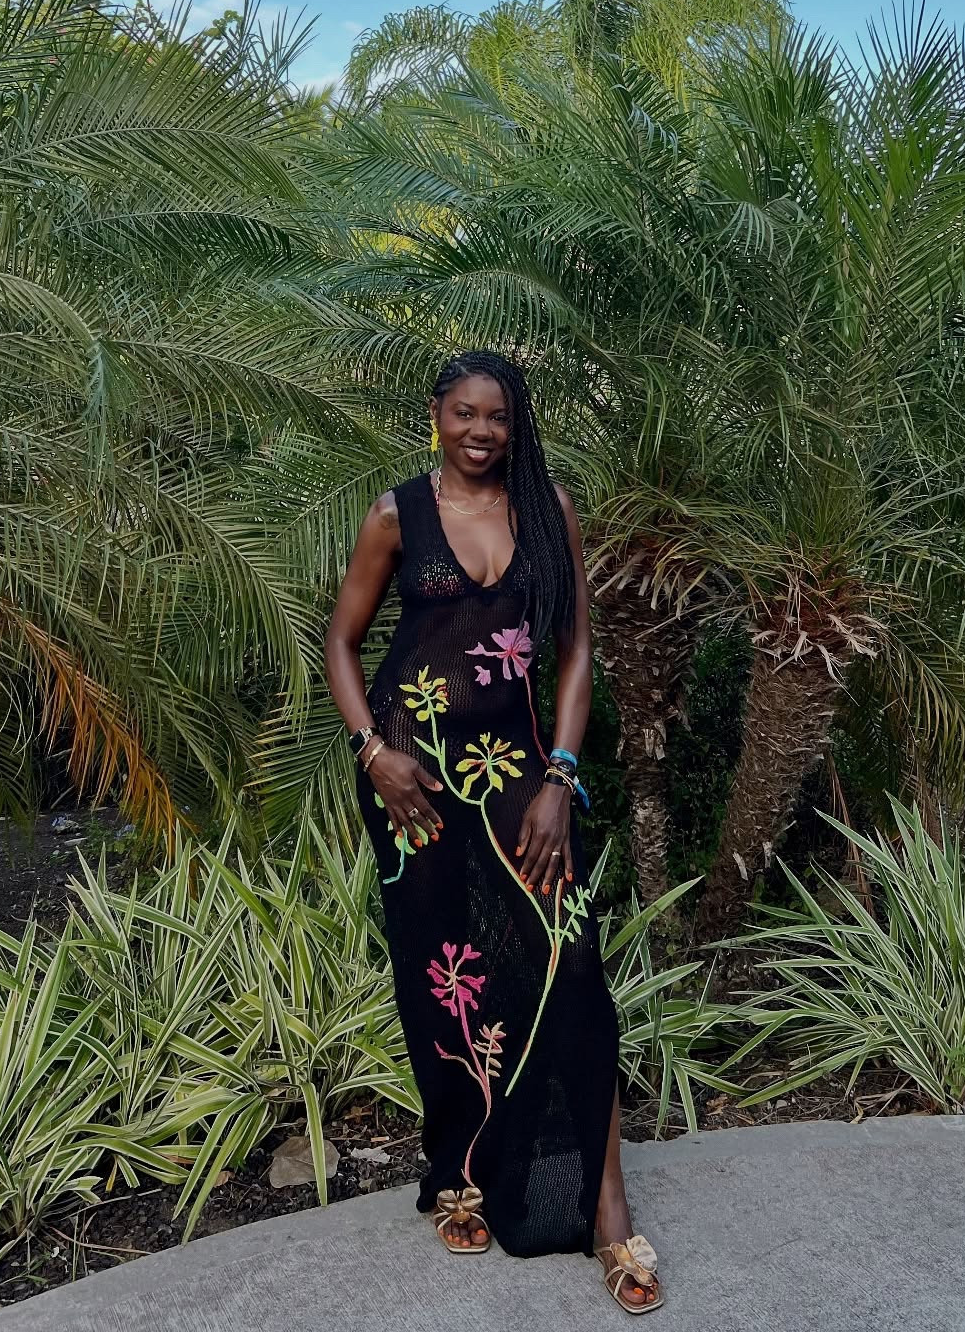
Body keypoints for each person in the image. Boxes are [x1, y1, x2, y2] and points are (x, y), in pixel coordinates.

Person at [324, 350, 663, 1314]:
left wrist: (561, 775)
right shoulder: (397, 515)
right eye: (464, 413)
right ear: (436, 415)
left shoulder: (548, 507)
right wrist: (369, 754)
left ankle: (607, 1217)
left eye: (498, 416)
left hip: (520, 773)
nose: (481, 431)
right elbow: (342, 641)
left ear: (515, 424)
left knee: (572, 969)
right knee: (444, 972)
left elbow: (577, 649)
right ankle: (461, 1172)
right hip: (413, 778)